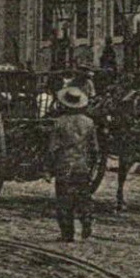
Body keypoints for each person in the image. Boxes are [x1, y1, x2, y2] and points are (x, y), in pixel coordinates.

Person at [49, 83, 100, 241]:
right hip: (82, 166)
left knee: (64, 201)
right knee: (84, 197)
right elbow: (95, 148)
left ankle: (67, 234)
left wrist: (50, 167)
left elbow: (53, 148)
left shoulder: (59, 123)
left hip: (64, 167)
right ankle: (86, 223)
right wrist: (91, 164)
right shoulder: (89, 123)